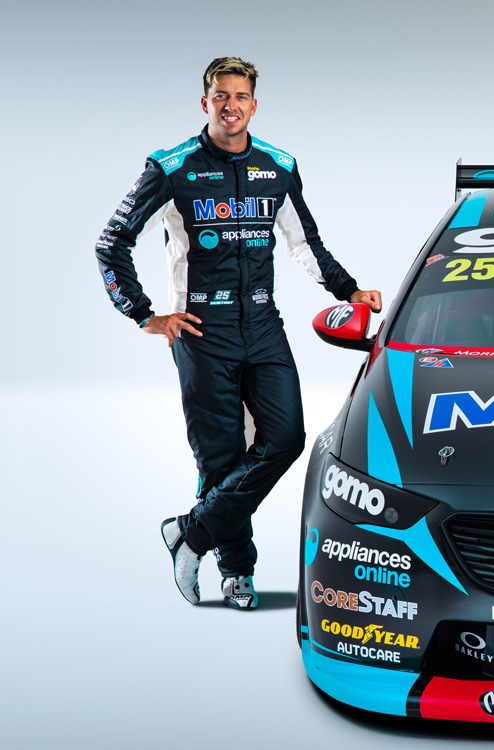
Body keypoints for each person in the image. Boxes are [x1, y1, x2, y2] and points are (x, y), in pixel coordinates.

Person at [96, 57, 382, 610]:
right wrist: (145, 314)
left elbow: (304, 242)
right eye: (221, 96)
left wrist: (348, 291)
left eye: (241, 96)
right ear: (205, 103)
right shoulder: (171, 167)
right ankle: (237, 573)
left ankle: (189, 532)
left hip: (263, 326)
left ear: (255, 104)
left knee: (287, 438)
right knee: (221, 459)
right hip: (201, 332)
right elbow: (111, 243)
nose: (231, 106)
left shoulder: (279, 165)